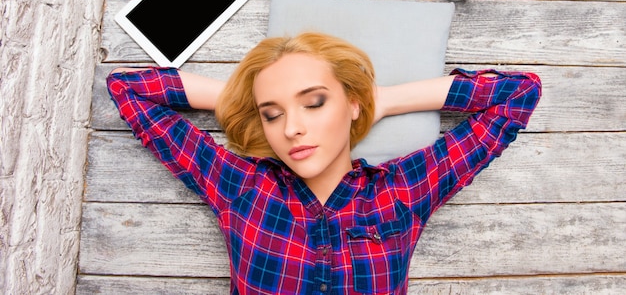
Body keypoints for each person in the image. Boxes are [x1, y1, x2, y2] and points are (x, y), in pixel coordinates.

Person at [107, 32, 541, 294]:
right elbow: (128, 89)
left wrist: (381, 100)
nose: (292, 128)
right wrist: (245, 101)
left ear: (351, 103)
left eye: (314, 103)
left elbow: (518, 94)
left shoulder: (404, 190)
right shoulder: (240, 186)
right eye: (272, 115)